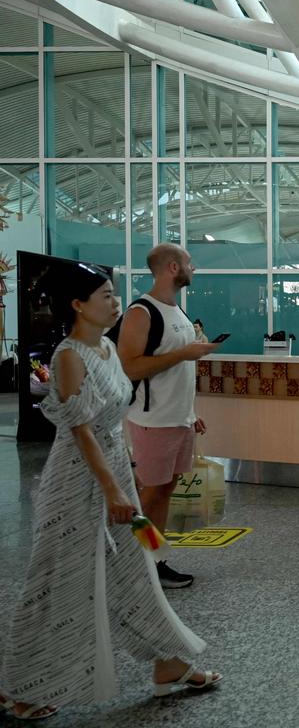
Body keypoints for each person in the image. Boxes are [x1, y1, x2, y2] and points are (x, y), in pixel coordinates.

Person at [0, 263, 221, 721]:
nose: (115, 302)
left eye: (114, 294)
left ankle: (169, 664)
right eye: (105, 295)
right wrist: (113, 490)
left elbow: (109, 420)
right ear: (78, 305)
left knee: (136, 571)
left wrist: (123, 479)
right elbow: (79, 431)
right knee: (57, 581)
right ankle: (20, 685)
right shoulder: (68, 356)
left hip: (114, 473)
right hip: (78, 482)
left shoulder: (104, 347)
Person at [117, 244, 219, 589]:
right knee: (150, 494)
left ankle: (155, 560)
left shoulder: (177, 311)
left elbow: (177, 370)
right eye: (190, 263)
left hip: (178, 419)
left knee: (164, 492)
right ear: (173, 267)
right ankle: (134, 563)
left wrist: (191, 413)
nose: (194, 268)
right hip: (153, 421)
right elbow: (129, 367)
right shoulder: (141, 312)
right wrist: (184, 353)